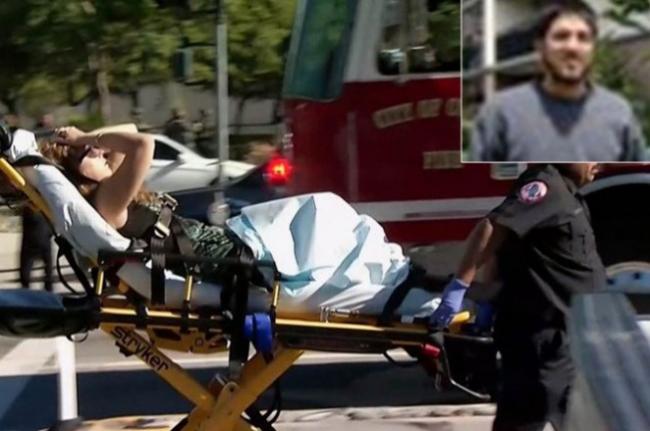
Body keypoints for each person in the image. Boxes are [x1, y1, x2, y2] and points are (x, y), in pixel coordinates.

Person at [430, 163, 606, 430]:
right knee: (524, 419)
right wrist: (459, 286)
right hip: (540, 341)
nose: (598, 163)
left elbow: (508, 245)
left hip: (565, 338)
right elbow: (493, 228)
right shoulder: (546, 187)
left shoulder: (566, 193)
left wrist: (490, 294)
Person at [471, 2, 646, 161]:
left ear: (593, 48)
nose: (572, 47)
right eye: (561, 36)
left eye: (583, 38)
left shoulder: (618, 113)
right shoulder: (501, 113)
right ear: (540, 47)